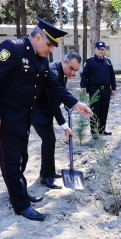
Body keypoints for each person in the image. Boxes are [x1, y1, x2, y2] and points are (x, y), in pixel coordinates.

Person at [0, 17, 93, 221]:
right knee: (11, 163)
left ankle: (20, 192)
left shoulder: (42, 58)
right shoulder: (11, 49)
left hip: (22, 117)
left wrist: (75, 103)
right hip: (2, 119)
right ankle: (21, 205)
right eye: (49, 44)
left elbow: (53, 86)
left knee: (22, 158)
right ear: (37, 36)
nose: (50, 50)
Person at [31, 52, 82, 189]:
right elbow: (53, 104)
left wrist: (65, 102)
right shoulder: (53, 72)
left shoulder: (61, 71)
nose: (73, 73)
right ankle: (45, 177)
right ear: (64, 62)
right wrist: (65, 126)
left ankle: (50, 172)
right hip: (37, 111)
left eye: (76, 70)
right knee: (48, 140)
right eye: (71, 68)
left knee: (50, 140)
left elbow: (59, 94)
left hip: (45, 110)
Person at [80, 41, 116, 139]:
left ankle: (102, 129)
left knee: (104, 110)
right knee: (94, 111)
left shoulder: (108, 61)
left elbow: (112, 75)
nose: (101, 51)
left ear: (104, 50)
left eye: (102, 49)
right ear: (95, 49)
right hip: (94, 90)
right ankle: (94, 132)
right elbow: (84, 75)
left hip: (106, 91)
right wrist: (83, 87)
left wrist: (114, 88)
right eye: (99, 49)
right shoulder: (90, 61)